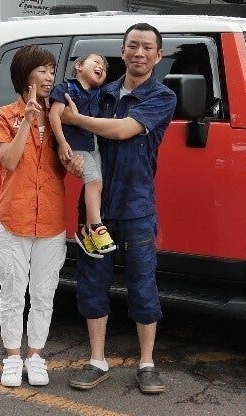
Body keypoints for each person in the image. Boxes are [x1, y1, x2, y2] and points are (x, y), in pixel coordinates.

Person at [61, 23, 177, 395]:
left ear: (158, 55)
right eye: (133, 46)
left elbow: (122, 130)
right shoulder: (101, 92)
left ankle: (147, 363)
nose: (139, 53)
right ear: (122, 51)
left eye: (147, 47)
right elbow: (77, 138)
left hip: (137, 208)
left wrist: (76, 119)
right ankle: (97, 360)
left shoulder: (162, 97)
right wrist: (71, 156)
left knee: (143, 286)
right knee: (92, 283)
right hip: (95, 211)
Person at [0, 45, 75, 388]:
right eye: (43, 70)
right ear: (25, 74)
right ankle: (12, 357)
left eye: (52, 70)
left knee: (43, 293)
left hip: (51, 220)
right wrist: (26, 120)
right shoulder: (3, 116)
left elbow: (73, 163)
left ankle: (36, 356)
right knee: (12, 292)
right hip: (14, 218)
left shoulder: (59, 117)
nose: (50, 76)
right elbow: (9, 161)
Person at [47, 53, 115, 258]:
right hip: (75, 146)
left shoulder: (99, 93)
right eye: (96, 62)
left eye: (104, 67)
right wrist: (62, 143)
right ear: (78, 66)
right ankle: (96, 226)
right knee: (94, 181)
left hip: (92, 145)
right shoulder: (66, 88)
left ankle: (85, 232)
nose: (101, 67)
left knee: (98, 182)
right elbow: (54, 115)